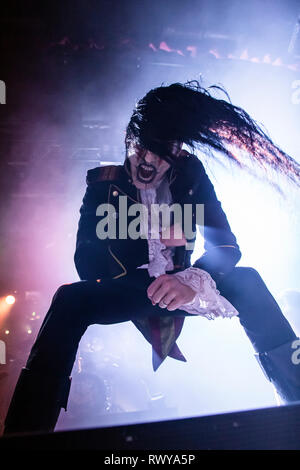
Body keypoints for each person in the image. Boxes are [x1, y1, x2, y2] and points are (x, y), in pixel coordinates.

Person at [3, 82, 300, 435]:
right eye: (144, 150)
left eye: (165, 152)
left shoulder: (191, 174)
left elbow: (226, 246)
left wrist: (190, 280)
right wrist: (135, 267)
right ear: (131, 142)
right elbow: (86, 262)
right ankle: (25, 431)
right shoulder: (103, 183)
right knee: (69, 299)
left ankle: (295, 403)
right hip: (132, 289)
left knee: (248, 281)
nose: (152, 162)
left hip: (187, 285)